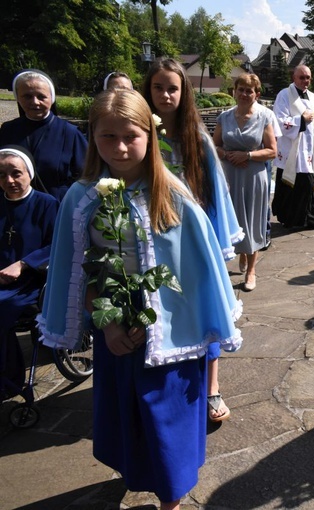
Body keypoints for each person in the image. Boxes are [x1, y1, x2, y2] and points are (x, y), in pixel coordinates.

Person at [39, 90, 242, 510]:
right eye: (107, 136)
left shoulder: (174, 195)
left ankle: (171, 500)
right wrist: (107, 321)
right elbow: (80, 268)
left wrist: (159, 318)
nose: (119, 147)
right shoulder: (81, 198)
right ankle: (138, 476)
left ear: (149, 135)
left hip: (172, 338)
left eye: (130, 135)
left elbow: (197, 268)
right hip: (116, 335)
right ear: (92, 138)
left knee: (168, 422)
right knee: (129, 417)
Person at [142, 58, 243, 423]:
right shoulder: (139, 132)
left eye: (173, 88)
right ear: (147, 90)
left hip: (193, 239)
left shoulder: (196, 138)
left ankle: (212, 386)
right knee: (161, 311)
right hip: (150, 237)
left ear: (184, 92)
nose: (166, 95)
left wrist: (215, 244)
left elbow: (213, 194)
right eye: (158, 87)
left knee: (205, 307)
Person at [0, 146, 58, 398]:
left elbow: (56, 244)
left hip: (31, 281)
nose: (10, 180)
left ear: (29, 174)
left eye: (16, 173)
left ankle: (9, 382)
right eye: (2, 175)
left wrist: (22, 264)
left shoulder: (47, 204)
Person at [214, 73, 277, 291]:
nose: (244, 94)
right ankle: (241, 252)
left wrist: (248, 155)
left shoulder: (265, 117)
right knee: (232, 219)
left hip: (253, 175)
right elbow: (214, 146)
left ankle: (251, 270)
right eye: (240, 89)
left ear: (256, 94)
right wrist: (226, 154)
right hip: (230, 174)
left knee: (252, 221)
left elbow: (272, 151)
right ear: (234, 91)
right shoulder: (224, 117)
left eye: (249, 90)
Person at [0, 69, 87, 202]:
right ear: (18, 97)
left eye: (41, 96)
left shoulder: (70, 133)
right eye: (27, 96)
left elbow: (86, 175)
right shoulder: (8, 130)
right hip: (15, 208)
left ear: (51, 98)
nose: (35, 102)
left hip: (58, 209)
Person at [271, 65, 314, 231]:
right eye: (302, 77)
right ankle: (290, 219)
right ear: (294, 78)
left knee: (311, 184)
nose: (305, 81)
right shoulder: (284, 95)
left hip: (312, 149)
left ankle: (312, 219)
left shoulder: (313, 97)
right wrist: (301, 120)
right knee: (292, 185)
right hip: (293, 150)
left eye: (308, 77)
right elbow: (279, 121)